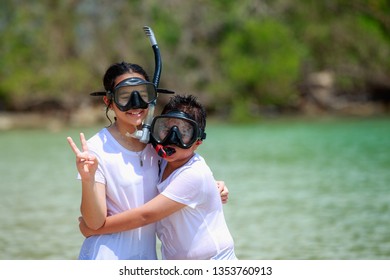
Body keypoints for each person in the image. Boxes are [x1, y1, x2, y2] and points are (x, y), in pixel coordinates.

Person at [67, 62, 229, 260]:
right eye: (125, 97)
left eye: (142, 95)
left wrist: (211, 188)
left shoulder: (157, 146)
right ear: (109, 101)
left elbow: (181, 175)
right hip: (106, 256)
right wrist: (87, 179)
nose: (136, 104)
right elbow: (93, 223)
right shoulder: (96, 149)